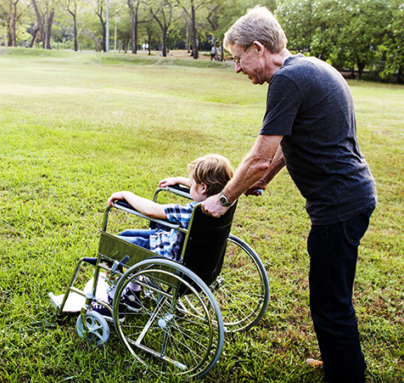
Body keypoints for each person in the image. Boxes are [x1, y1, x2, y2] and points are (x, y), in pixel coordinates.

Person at [201, 6, 377, 383]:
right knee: (333, 295)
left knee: (330, 304)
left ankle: (347, 375)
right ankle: (340, 362)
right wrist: (266, 179)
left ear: (259, 48)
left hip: (339, 205)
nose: (237, 68)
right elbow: (285, 145)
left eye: (238, 58)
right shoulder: (310, 67)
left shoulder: (287, 81)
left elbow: (259, 156)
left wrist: (224, 199)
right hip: (353, 197)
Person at [93, 154, 234, 317]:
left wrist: (125, 194)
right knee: (125, 235)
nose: (189, 186)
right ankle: (133, 295)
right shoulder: (224, 205)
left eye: (191, 183)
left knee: (113, 248)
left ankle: (113, 303)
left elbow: (151, 211)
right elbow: (202, 187)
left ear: (203, 188)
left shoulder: (192, 212)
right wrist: (180, 180)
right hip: (190, 259)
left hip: (166, 259)